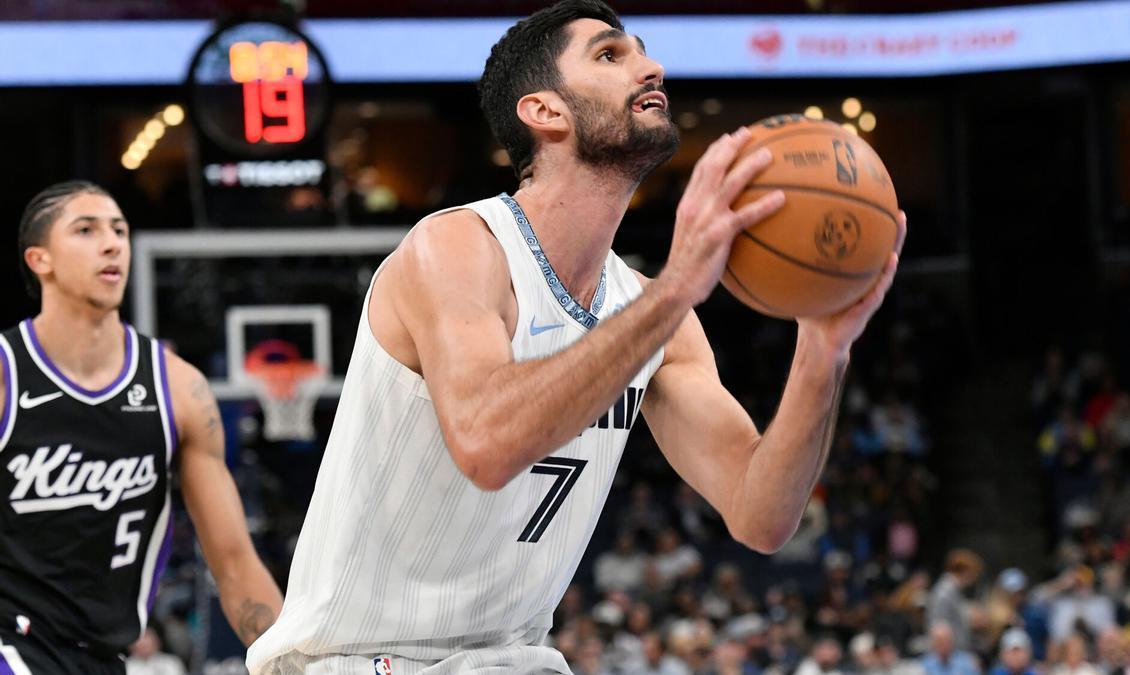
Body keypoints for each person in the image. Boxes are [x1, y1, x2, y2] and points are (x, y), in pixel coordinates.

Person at [247, 0, 905, 672]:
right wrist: (678, 286)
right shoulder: (456, 248)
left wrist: (823, 347)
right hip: (357, 657)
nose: (651, 67)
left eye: (643, 51)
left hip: (511, 660)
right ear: (545, 111)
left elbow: (760, 514)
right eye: (610, 55)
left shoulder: (656, 314)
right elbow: (487, 443)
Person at [0, 181, 282, 673]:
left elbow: (236, 564)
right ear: (39, 259)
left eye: (119, 230)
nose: (112, 244)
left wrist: (290, 662)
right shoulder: (6, 377)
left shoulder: (178, 389)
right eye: (86, 230)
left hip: (105, 657)